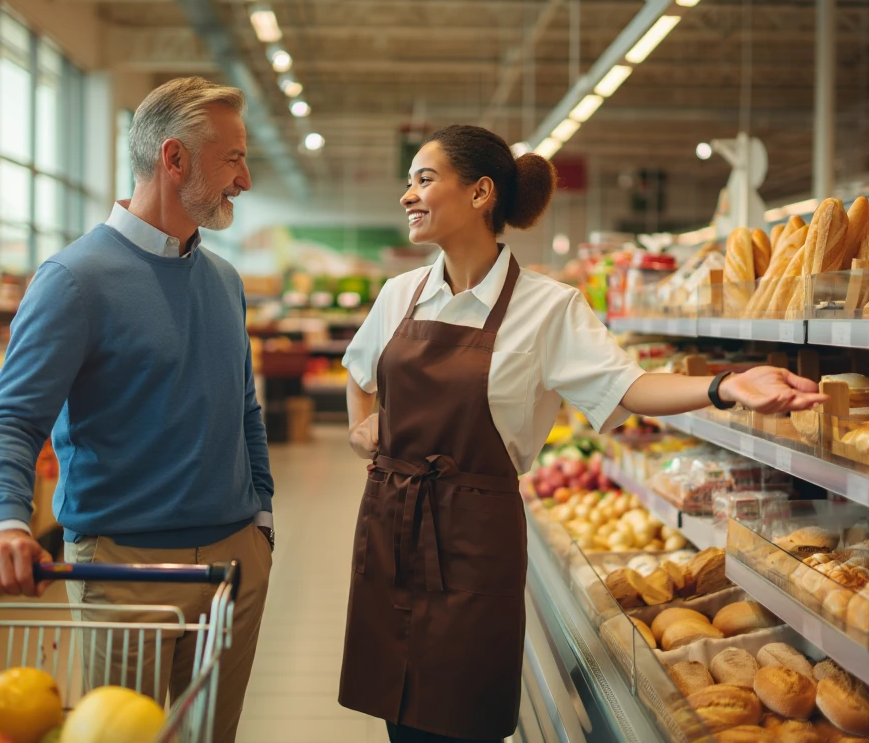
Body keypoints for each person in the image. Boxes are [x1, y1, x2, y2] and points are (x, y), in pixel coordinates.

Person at [338, 125, 826, 743]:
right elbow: (359, 373)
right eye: (409, 181)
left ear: (481, 193)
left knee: (462, 716)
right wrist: (361, 427)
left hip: (473, 538)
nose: (408, 194)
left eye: (424, 179)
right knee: (399, 714)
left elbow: (630, 387)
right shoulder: (399, 294)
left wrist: (725, 385)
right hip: (393, 521)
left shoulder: (549, 307)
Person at [0, 77, 274, 743]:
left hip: (235, 567)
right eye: (233, 159)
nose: (245, 180)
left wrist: (263, 523)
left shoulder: (223, 280)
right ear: (175, 158)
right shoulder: (75, 280)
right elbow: (11, 420)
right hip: (125, 569)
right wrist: (3, 525)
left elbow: (243, 407)